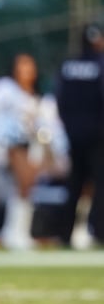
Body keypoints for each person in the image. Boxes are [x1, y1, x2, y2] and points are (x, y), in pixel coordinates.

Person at [0, 52, 50, 250]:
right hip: (10, 143)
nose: (27, 70)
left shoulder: (36, 95)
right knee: (24, 183)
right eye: (22, 65)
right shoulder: (6, 88)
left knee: (27, 185)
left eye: (30, 66)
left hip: (31, 144)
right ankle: (14, 232)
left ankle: (16, 231)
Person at [54, 23, 104, 247]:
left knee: (73, 185)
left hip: (74, 134)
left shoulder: (68, 65)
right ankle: (99, 232)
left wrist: (69, 126)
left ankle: (65, 234)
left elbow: (61, 99)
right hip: (97, 135)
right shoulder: (101, 64)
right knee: (99, 185)